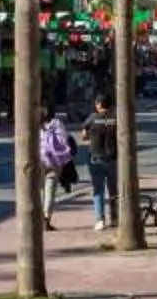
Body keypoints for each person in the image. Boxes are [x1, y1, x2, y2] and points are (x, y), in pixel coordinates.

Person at [83, 95, 120, 229]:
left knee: (98, 190)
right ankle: (115, 218)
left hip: (96, 158)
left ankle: (100, 220)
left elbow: (84, 135)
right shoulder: (115, 119)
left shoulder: (92, 118)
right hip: (113, 158)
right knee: (113, 190)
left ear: (99, 104)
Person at [37, 110, 75, 226]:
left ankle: (38, 217)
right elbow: (66, 138)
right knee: (50, 191)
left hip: (39, 160)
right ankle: (46, 217)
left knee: (40, 190)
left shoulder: (33, 126)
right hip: (55, 161)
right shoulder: (57, 124)